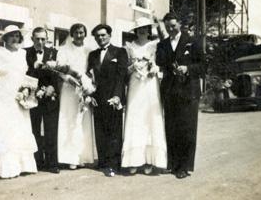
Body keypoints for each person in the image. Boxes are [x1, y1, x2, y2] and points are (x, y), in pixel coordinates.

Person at [0, 25, 38, 178]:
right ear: (5, 38)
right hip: (5, 98)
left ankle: (22, 165)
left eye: (17, 36)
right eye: (12, 36)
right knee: (5, 128)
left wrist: (25, 90)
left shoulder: (22, 53)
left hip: (20, 97)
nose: (15, 39)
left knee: (21, 128)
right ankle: (5, 168)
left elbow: (24, 75)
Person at [156, 13, 205, 179]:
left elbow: (203, 66)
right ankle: (173, 164)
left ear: (180, 24)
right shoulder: (162, 44)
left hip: (188, 91)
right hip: (170, 91)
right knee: (171, 128)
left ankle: (185, 166)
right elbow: (159, 61)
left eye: (173, 26)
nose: (171, 29)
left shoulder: (193, 42)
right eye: (168, 26)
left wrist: (188, 69)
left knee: (187, 130)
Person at [121, 17, 167, 175]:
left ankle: (150, 160)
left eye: (145, 27)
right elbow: (124, 70)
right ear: (135, 30)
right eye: (139, 28)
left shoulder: (155, 45)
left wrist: (155, 68)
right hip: (135, 85)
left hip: (150, 85)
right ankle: (134, 160)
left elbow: (162, 62)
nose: (142, 30)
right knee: (135, 119)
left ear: (149, 30)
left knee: (150, 119)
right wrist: (132, 67)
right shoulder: (129, 46)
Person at [87, 24, 128, 177]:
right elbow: (89, 77)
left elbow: (121, 76)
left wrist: (117, 96)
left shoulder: (120, 51)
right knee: (100, 130)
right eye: (97, 36)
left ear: (110, 35)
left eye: (103, 35)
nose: (101, 38)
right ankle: (103, 161)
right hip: (97, 97)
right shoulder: (92, 55)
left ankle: (114, 164)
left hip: (113, 97)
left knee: (114, 131)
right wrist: (89, 95)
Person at [57, 23, 96, 169]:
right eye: (76, 32)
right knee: (69, 120)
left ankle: (83, 156)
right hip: (69, 89)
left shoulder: (89, 50)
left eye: (82, 33)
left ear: (85, 34)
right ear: (71, 34)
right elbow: (60, 69)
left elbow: (92, 70)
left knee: (83, 121)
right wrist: (69, 79)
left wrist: (88, 85)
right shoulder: (64, 50)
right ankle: (70, 157)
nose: (79, 35)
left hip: (84, 88)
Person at [25, 27, 61, 174]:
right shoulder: (25, 53)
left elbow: (59, 74)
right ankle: (37, 161)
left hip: (50, 96)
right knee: (34, 129)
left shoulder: (54, 53)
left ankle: (52, 163)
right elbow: (23, 73)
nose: (40, 42)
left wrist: (52, 87)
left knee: (51, 129)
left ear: (47, 39)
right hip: (32, 96)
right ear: (32, 39)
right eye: (37, 39)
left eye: (43, 39)